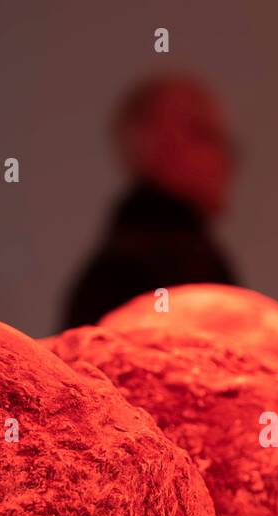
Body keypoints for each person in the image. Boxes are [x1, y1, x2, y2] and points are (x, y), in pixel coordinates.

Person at [61, 75, 238, 331]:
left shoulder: (125, 258)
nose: (226, 156)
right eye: (204, 133)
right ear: (148, 143)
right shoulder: (167, 263)